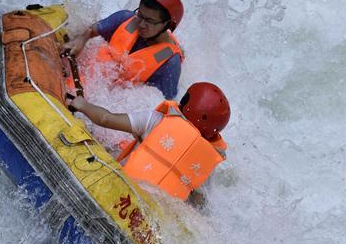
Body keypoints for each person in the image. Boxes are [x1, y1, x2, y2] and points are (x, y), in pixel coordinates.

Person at [68, 82, 230, 202]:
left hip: (121, 192)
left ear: (188, 103)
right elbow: (199, 203)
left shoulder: (155, 120)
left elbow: (105, 119)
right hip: (154, 215)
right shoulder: (205, 161)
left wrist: (83, 105)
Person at [63, 0, 184, 99]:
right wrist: (81, 39)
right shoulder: (125, 18)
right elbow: (91, 31)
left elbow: (161, 103)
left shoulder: (170, 63)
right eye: (140, 15)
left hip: (113, 98)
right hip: (94, 79)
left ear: (167, 25)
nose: (141, 24)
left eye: (150, 21)